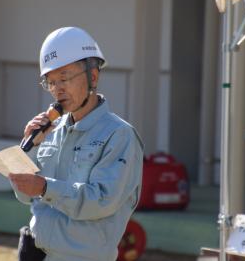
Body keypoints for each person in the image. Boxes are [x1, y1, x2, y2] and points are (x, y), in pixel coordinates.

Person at [9, 27, 144, 261]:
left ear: (93, 76)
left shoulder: (119, 135)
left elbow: (101, 200)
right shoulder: (50, 132)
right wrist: (29, 149)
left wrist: (44, 187)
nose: (57, 89)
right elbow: (25, 195)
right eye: (50, 82)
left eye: (64, 78)